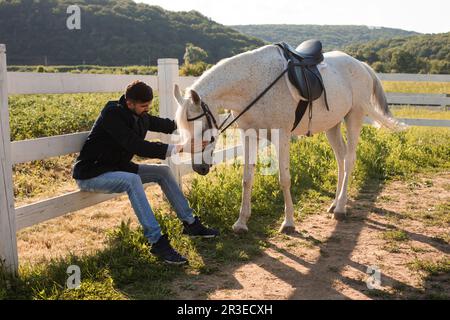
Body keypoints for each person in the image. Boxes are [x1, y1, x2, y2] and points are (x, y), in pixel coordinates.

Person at [72, 80, 219, 265]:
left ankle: (191, 225)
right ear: (129, 103)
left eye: (149, 105)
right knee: (132, 180)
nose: (147, 109)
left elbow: (169, 125)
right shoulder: (112, 115)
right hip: (92, 174)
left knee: (163, 172)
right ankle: (157, 242)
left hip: (117, 168)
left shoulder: (141, 114)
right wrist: (182, 148)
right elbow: (137, 146)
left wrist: (198, 125)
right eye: (143, 106)